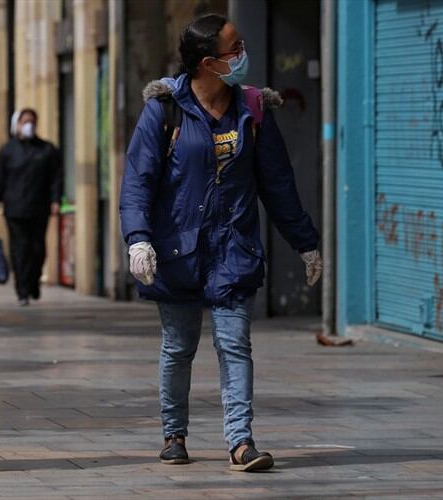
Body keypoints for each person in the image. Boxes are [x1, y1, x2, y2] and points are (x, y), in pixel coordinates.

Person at [119, 14, 323, 472]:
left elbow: (278, 184)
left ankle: (241, 442)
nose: (243, 54)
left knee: (235, 345)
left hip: (234, 249)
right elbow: (138, 182)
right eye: (235, 49)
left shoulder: (252, 109)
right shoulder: (165, 109)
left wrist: (305, 242)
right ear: (208, 63)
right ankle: (174, 434)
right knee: (178, 346)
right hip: (177, 251)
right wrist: (138, 239)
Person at [0, 108, 62, 306]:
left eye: (32, 121)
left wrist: (56, 200)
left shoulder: (47, 150)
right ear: (17, 124)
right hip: (15, 209)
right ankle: (22, 290)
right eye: (25, 121)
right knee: (20, 249)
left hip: (39, 208)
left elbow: (56, 178)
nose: (28, 125)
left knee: (38, 249)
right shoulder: (8, 150)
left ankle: (33, 281)